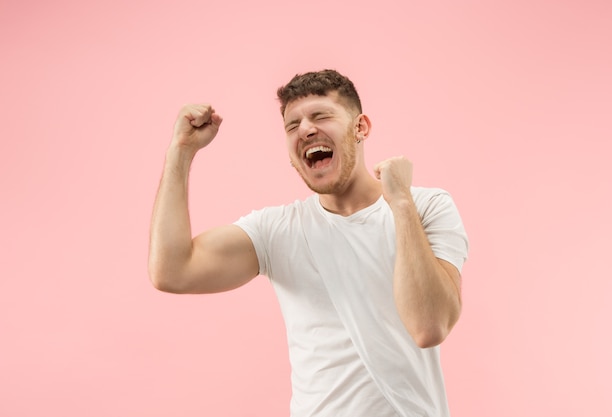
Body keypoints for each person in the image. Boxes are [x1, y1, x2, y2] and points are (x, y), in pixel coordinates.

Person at [148, 69, 469, 417]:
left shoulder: (426, 206)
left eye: (320, 116)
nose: (304, 129)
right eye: (292, 125)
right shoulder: (278, 231)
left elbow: (429, 325)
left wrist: (401, 203)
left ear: (360, 128)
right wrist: (180, 152)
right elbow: (172, 271)